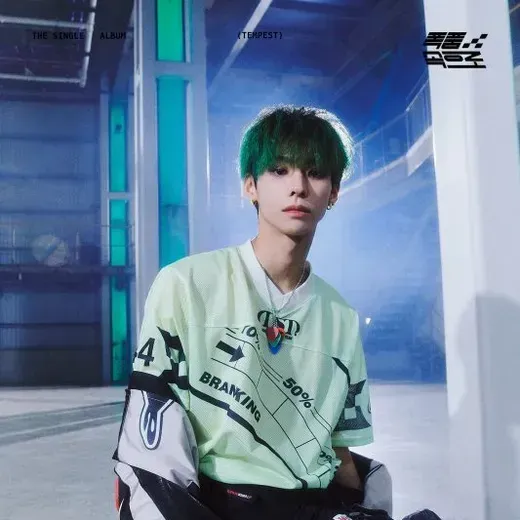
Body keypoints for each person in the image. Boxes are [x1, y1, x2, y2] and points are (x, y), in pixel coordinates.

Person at [112, 106, 391, 520]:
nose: (298, 187)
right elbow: (152, 433)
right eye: (279, 170)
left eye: (315, 173)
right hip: (218, 502)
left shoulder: (340, 317)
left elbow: (339, 453)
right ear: (250, 186)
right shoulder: (185, 284)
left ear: (333, 193)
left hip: (307, 504)